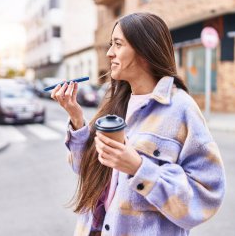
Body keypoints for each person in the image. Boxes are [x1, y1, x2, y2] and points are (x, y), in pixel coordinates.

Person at [51, 12, 225, 236]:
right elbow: (83, 169)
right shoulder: (115, 104)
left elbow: (207, 195)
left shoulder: (181, 108)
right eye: (110, 44)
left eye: (118, 44)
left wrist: (140, 169)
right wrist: (76, 118)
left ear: (144, 51)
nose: (109, 53)